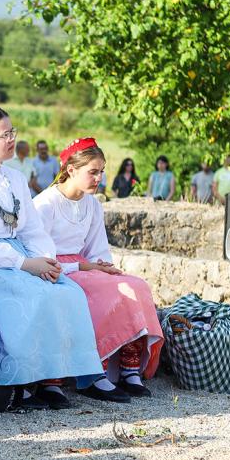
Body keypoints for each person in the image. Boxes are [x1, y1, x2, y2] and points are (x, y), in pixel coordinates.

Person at [0, 102, 129, 412]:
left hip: (15, 252)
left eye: (13, 132)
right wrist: (24, 264)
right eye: (4, 134)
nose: (12, 139)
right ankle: (7, 384)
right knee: (30, 296)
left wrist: (45, 260)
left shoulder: (14, 178)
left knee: (68, 292)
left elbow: (32, 229)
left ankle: (50, 380)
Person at [34, 137, 163, 397]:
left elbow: (97, 247)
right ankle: (95, 372)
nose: (99, 178)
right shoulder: (45, 203)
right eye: (93, 172)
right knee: (106, 294)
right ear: (71, 170)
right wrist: (84, 267)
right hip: (58, 269)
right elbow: (38, 254)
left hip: (88, 267)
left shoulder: (92, 203)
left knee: (136, 286)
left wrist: (105, 267)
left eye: (101, 172)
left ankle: (129, 368)